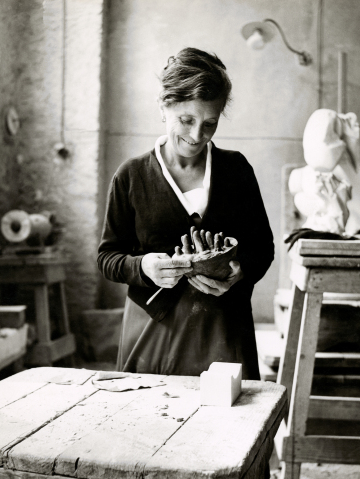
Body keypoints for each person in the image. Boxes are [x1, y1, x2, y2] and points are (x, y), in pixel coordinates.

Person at [97, 47, 274, 380]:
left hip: (226, 330)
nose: (197, 135)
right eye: (186, 120)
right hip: (152, 332)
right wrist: (142, 266)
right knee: (148, 424)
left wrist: (239, 274)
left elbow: (263, 248)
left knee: (231, 425)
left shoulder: (236, 170)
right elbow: (107, 257)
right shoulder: (132, 175)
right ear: (164, 107)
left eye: (210, 123)